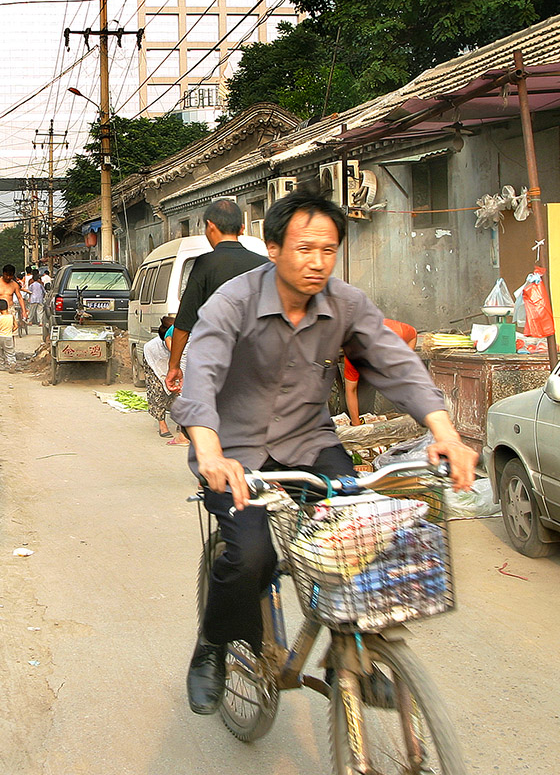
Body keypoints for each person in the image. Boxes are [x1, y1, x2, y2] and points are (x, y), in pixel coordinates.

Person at [169, 186, 477, 716]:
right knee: (252, 557)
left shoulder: (345, 304)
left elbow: (395, 363)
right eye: (304, 249)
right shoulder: (233, 301)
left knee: (366, 535)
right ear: (273, 248)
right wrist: (209, 447)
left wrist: (445, 431)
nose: (316, 262)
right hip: (235, 451)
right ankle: (212, 646)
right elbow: (203, 369)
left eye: (327, 250)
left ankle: (347, 658)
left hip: (311, 444)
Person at [165, 200, 268, 393]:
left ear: (210, 226)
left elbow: (184, 323)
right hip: (258, 366)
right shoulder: (264, 265)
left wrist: (174, 366)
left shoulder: (205, 264)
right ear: (242, 228)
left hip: (215, 366)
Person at [346, 319, 418, 425]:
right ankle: (365, 416)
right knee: (364, 390)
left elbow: (413, 334)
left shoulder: (397, 332)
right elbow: (351, 390)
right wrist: (356, 423)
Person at [143, 317, 187, 443]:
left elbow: (184, 361)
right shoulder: (163, 342)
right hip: (155, 360)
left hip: (174, 365)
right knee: (157, 390)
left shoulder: (187, 338)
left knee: (178, 393)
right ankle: (162, 424)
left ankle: (181, 423)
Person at [0, 299, 17, 368]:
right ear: (7, 307)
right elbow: (16, 326)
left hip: (0, 337)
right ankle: (11, 362)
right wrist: (11, 331)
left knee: (0, 352)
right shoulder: (11, 316)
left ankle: (2, 365)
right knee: (10, 351)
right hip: (9, 337)